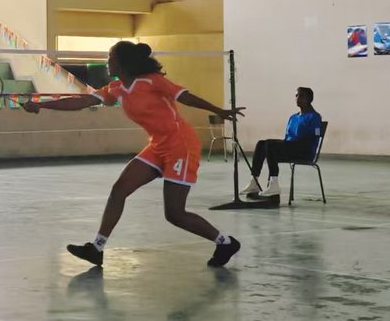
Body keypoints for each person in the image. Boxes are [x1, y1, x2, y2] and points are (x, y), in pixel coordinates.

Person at [22, 42, 241, 268]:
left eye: (110, 57)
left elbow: (184, 97)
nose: (107, 62)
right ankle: (97, 248)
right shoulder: (115, 88)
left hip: (180, 146)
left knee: (175, 214)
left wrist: (220, 111)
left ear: (123, 62)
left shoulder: (152, 81)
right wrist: (43, 105)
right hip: (157, 146)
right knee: (119, 191)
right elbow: (82, 101)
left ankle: (225, 242)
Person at [241, 88, 322, 198]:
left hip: (304, 151)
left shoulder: (314, 117)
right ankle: (254, 181)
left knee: (270, 145)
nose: (297, 98)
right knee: (261, 144)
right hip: (290, 147)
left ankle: (274, 185)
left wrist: (286, 145)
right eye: (296, 95)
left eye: (301, 96)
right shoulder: (293, 117)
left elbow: (311, 139)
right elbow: (287, 138)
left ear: (309, 99)